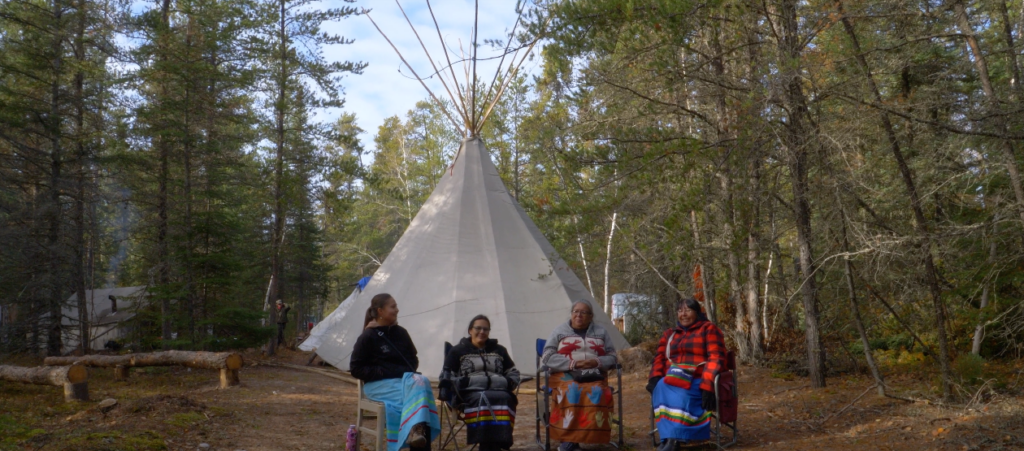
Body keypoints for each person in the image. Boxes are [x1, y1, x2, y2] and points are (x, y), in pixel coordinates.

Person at [350, 294, 441, 451]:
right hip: (378, 386)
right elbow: (356, 368)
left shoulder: (401, 333)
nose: (397, 310)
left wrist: (403, 374)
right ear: (380, 311)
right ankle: (415, 432)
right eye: (393, 306)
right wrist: (386, 372)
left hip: (403, 383)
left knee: (421, 383)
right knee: (421, 396)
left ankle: (415, 432)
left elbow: (413, 360)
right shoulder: (368, 336)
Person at [646, 297, 725, 450]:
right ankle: (668, 438)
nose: (683, 314)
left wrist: (708, 384)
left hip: (697, 378)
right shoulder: (670, 334)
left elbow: (717, 357)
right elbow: (659, 357)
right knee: (660, 385)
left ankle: (675, 439)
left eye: (688, 310)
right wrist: (654, 376)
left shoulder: (708, 329)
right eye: (680, 311)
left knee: (682, 395)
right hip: (672, 376)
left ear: (697, 313)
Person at [540, 300, 618, 451]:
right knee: (572, 390)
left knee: (597, 391)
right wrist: (572, 364)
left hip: (593, 373)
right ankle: (568, 441)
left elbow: (612, 356)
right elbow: (547, 356)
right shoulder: (559, 331)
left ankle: (588, 436)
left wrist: (596, 362)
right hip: (564, 373)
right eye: (575, 311)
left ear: (591, 316)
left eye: (583, 312)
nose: (579, 315)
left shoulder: (601, 332)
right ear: (571, 313)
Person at [439, 315, 521, 451]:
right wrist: (465, 382)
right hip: (469, 394)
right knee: (484, 397)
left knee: (506, 398)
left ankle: (497, 443)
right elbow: (446, 376)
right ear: (470, 330)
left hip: (499, 390)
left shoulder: (499, 350)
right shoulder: (457, 351)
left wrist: (506, 382)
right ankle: (489, 446)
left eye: (486, 329)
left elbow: (513, 372)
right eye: (478, 328)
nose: (482, 332)